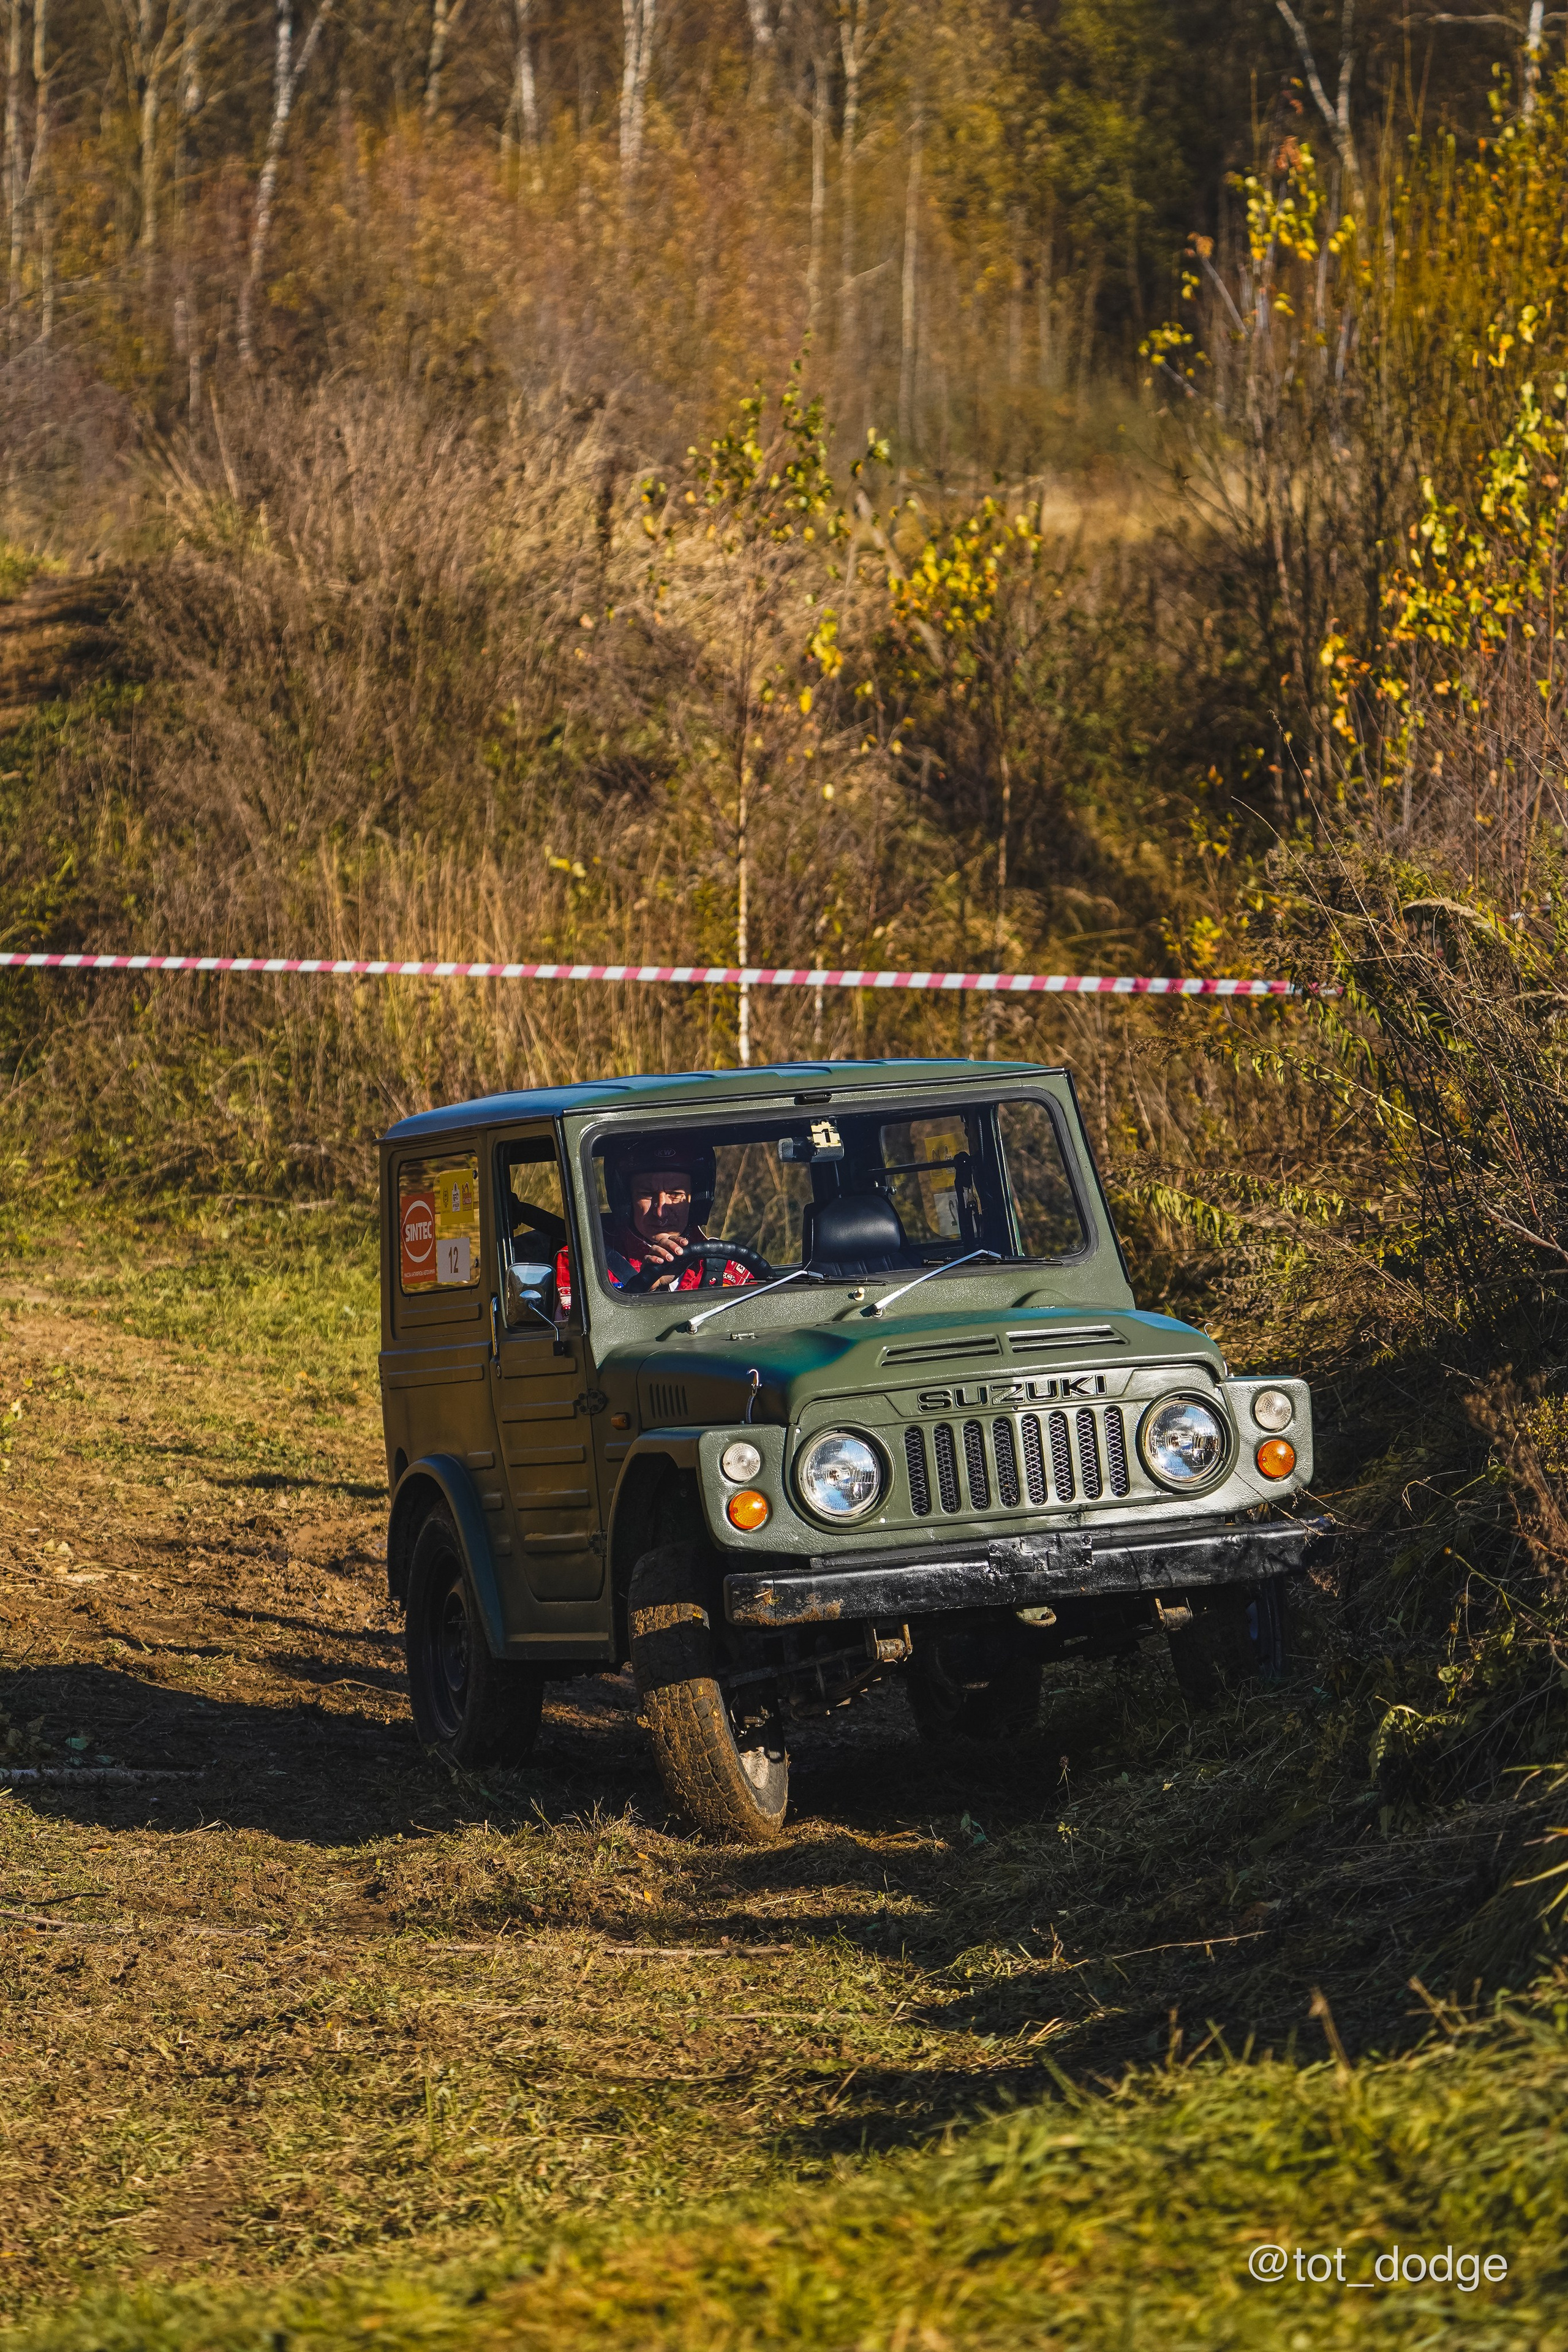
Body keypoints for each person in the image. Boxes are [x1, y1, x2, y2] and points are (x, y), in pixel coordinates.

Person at [602, 1138, 755, 1292]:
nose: (660, 1212)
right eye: (647, 1195)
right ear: (627, 1199)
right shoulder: (597, 1268)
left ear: (694, 1201)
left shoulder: (728, 1268)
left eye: (675, 1195)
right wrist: (641, 1288)